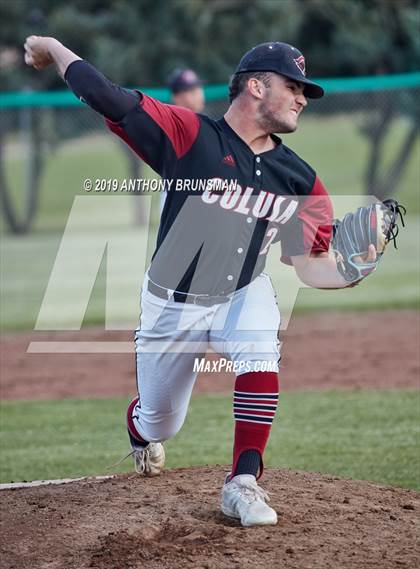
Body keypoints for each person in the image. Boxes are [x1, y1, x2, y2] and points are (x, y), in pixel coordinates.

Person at [24, 37, 376, 527]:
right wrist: (52, 47)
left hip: (242, 292)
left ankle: (243, 481)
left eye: (304, 90)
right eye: (292, 86)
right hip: (173, 305)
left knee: (260, 350)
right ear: (256, 85)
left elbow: (308, 265)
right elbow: (107, 96)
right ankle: (141, 429)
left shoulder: (300, 180)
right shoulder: (190, 135)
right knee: (161, 420)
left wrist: (350, 271)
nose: (301, 98)